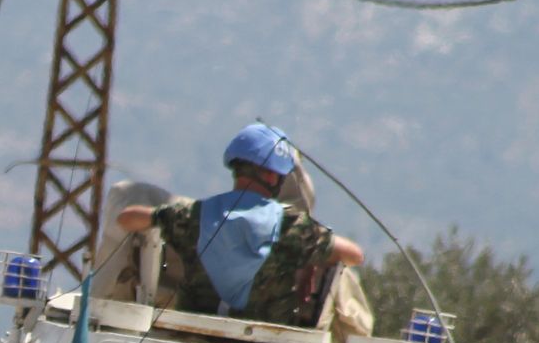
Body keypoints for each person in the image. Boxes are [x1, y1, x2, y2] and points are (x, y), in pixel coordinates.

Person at [116, 123, 364, 327]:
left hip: (193, 337)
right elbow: (354, 255)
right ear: (270, 175)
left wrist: (162, 214)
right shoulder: (293, 227)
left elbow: (127, 218)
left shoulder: (194, 215)